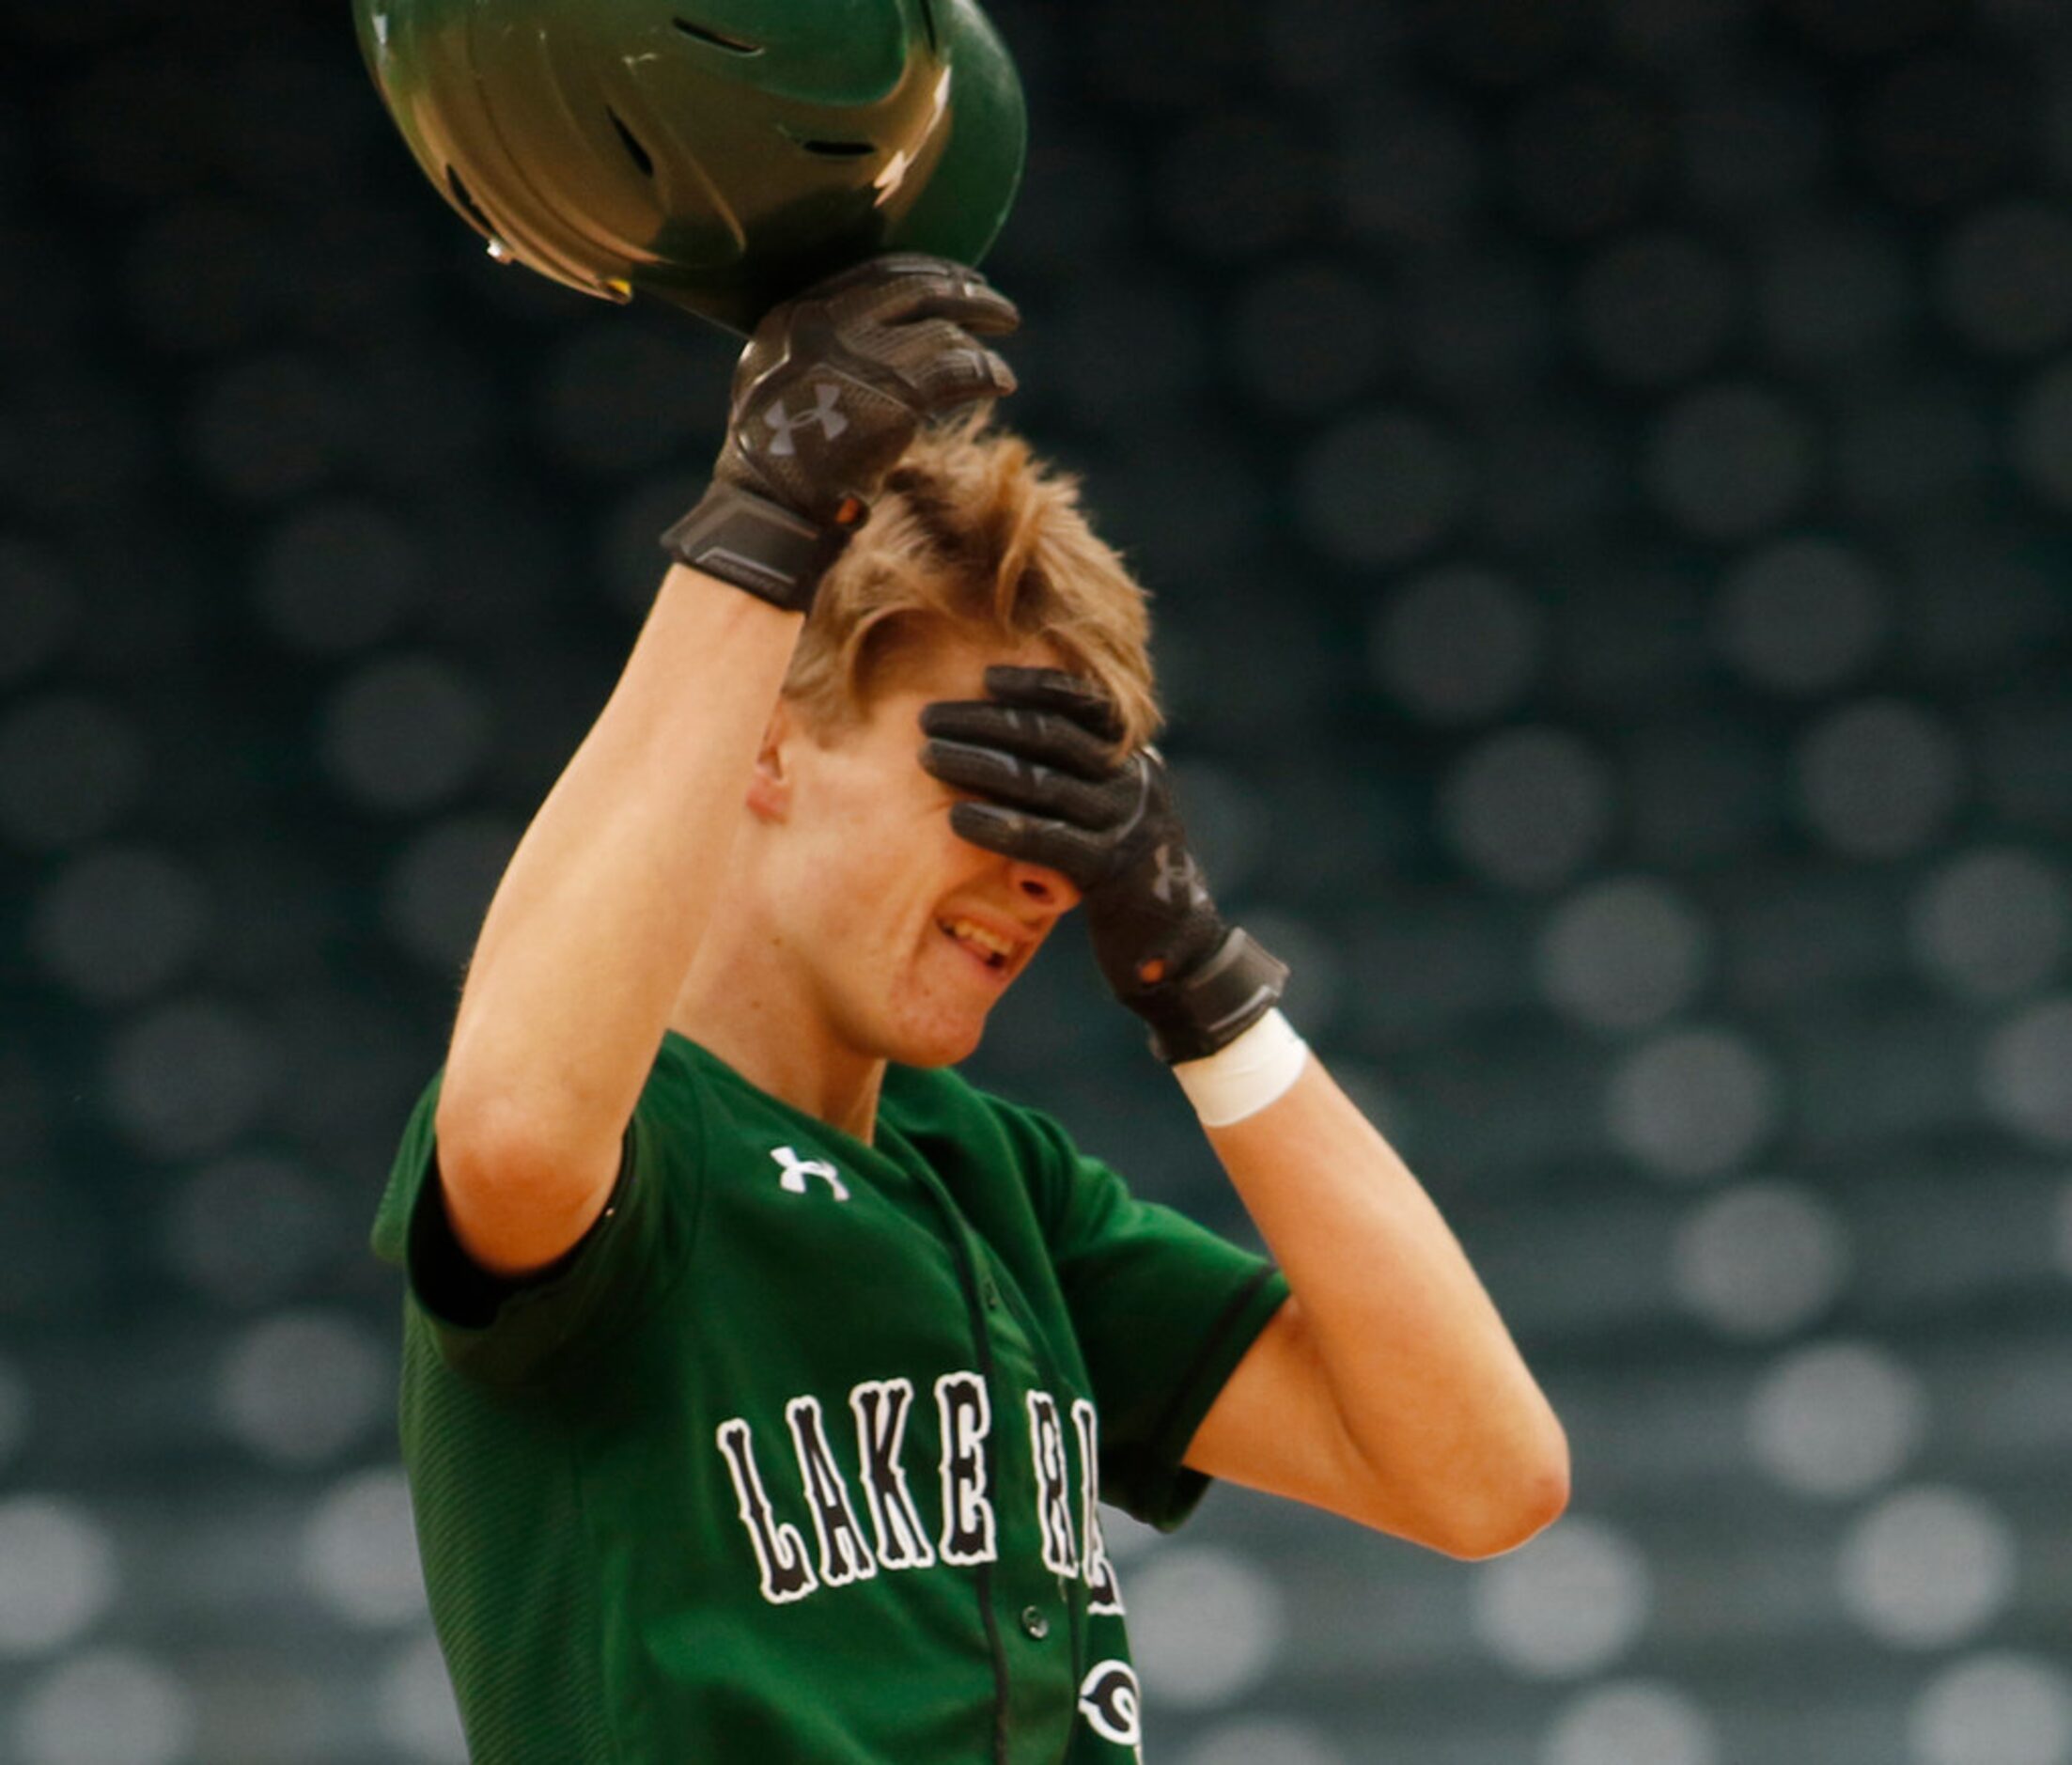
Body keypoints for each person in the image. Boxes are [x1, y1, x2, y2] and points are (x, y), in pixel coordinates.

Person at [371, 255, 1569, 1764]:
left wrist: (1200, 981)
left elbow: (1482, 1472)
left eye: (1075, 816)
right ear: (765, 746)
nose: (1043, 873)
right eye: (982, 788)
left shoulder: (995, 1179)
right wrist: (760, 526)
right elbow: (521, 1125)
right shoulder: (628, 1137)